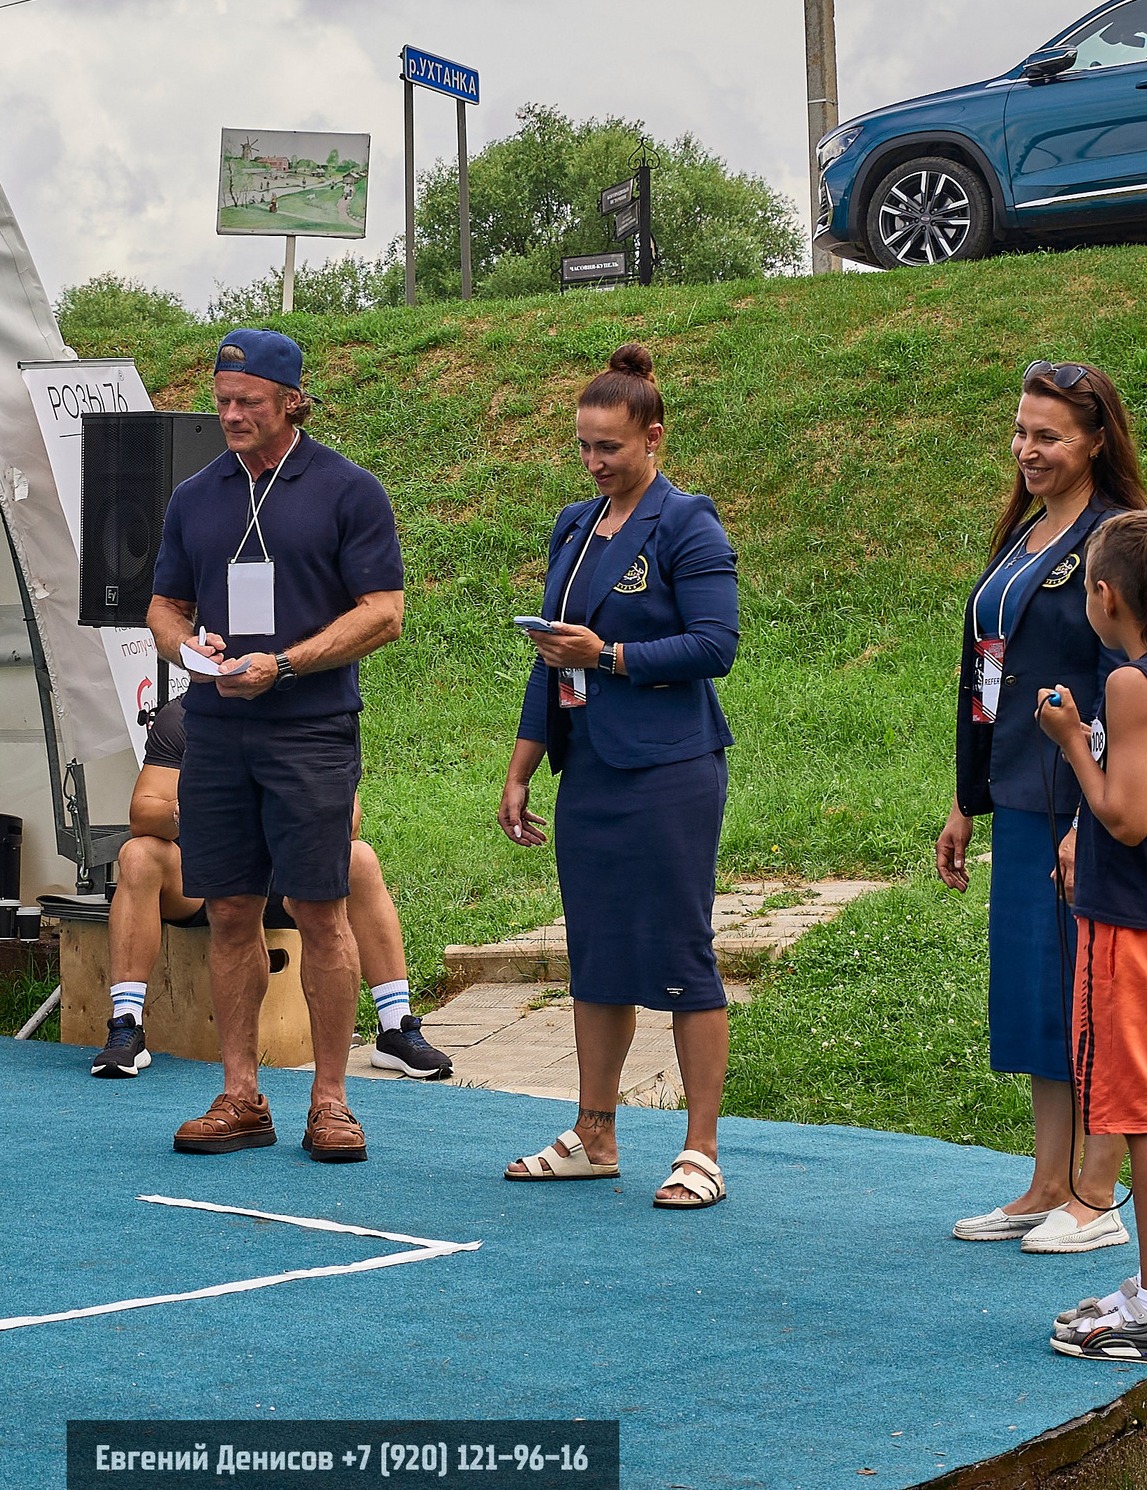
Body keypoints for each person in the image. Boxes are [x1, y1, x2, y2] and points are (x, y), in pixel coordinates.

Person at [147, 328, 406, 1162]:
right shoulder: (194, 496)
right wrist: (194, 654)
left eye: (247, 402)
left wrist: (287, 662)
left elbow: (384, 612)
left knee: (320, 913)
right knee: (227, 909)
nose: (230, 415)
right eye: (221, 401)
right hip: (217, 730)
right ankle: (241, 1093)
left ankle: (330, 1101)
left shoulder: (347, 490)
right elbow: (162, 608)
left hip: (310, 728)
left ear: (292, 399)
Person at [497, 345, 740, 1209]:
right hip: (589, 769)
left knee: (679, 950)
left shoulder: (687, 524)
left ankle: (700, 1147)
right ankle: (593, 1133)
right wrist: (524, 765)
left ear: (653, 437)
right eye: (585, 447)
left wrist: (613, 655)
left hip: (671, 768)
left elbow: (717, 645)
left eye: (611, 447)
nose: (596, 462)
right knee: (595, 952)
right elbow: (550, 657)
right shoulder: (574, 524)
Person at [935, 359, 1147, 1255]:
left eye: (1049, 436)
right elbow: (986, 669)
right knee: (1035, 993)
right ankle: (1046, 1182)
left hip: (1079, 804)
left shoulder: (1115, 539)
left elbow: (1120, 678)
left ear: (1097, 439)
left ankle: (1097, 1196)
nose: (1027, 449)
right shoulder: (1024, 532)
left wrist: (1082, 818)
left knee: (1090, 996)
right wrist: (964, 797)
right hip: (1018, 795)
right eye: (1021, 431)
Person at [1032, 510, 1147, 1365]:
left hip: (1137, 933)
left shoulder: (1130, 684)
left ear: (1106, 596)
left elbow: (1127, 816)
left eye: (1084, 588)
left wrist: (1073, 742)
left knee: (1146, 1114)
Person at [91, 691, 454, 1081]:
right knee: (138, 855)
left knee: (360, 858)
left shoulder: (315, 708)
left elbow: (347, 820)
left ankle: (396, 1025)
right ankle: (125, 1023)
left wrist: (278, 808)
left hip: (289, 879)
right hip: (208, 879)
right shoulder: (186, 714)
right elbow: (142, 814)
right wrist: (187, 808)